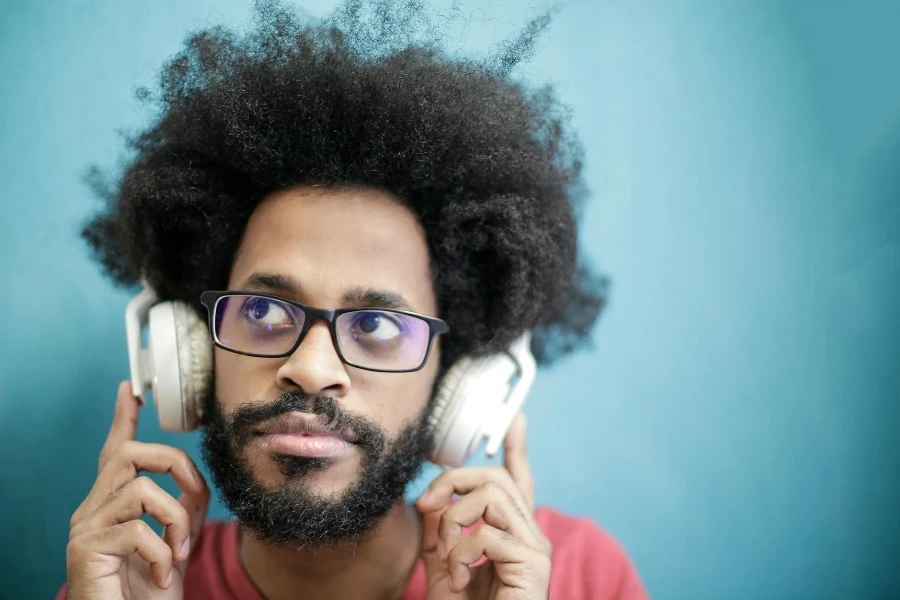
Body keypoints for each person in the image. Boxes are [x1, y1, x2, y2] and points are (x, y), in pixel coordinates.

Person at [59, 1, 647, 598]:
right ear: (192, 356)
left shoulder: (578, 575)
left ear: (453, 379)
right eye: (262, 312)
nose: (311, 371)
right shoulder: (120, 581)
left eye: (379, 324)